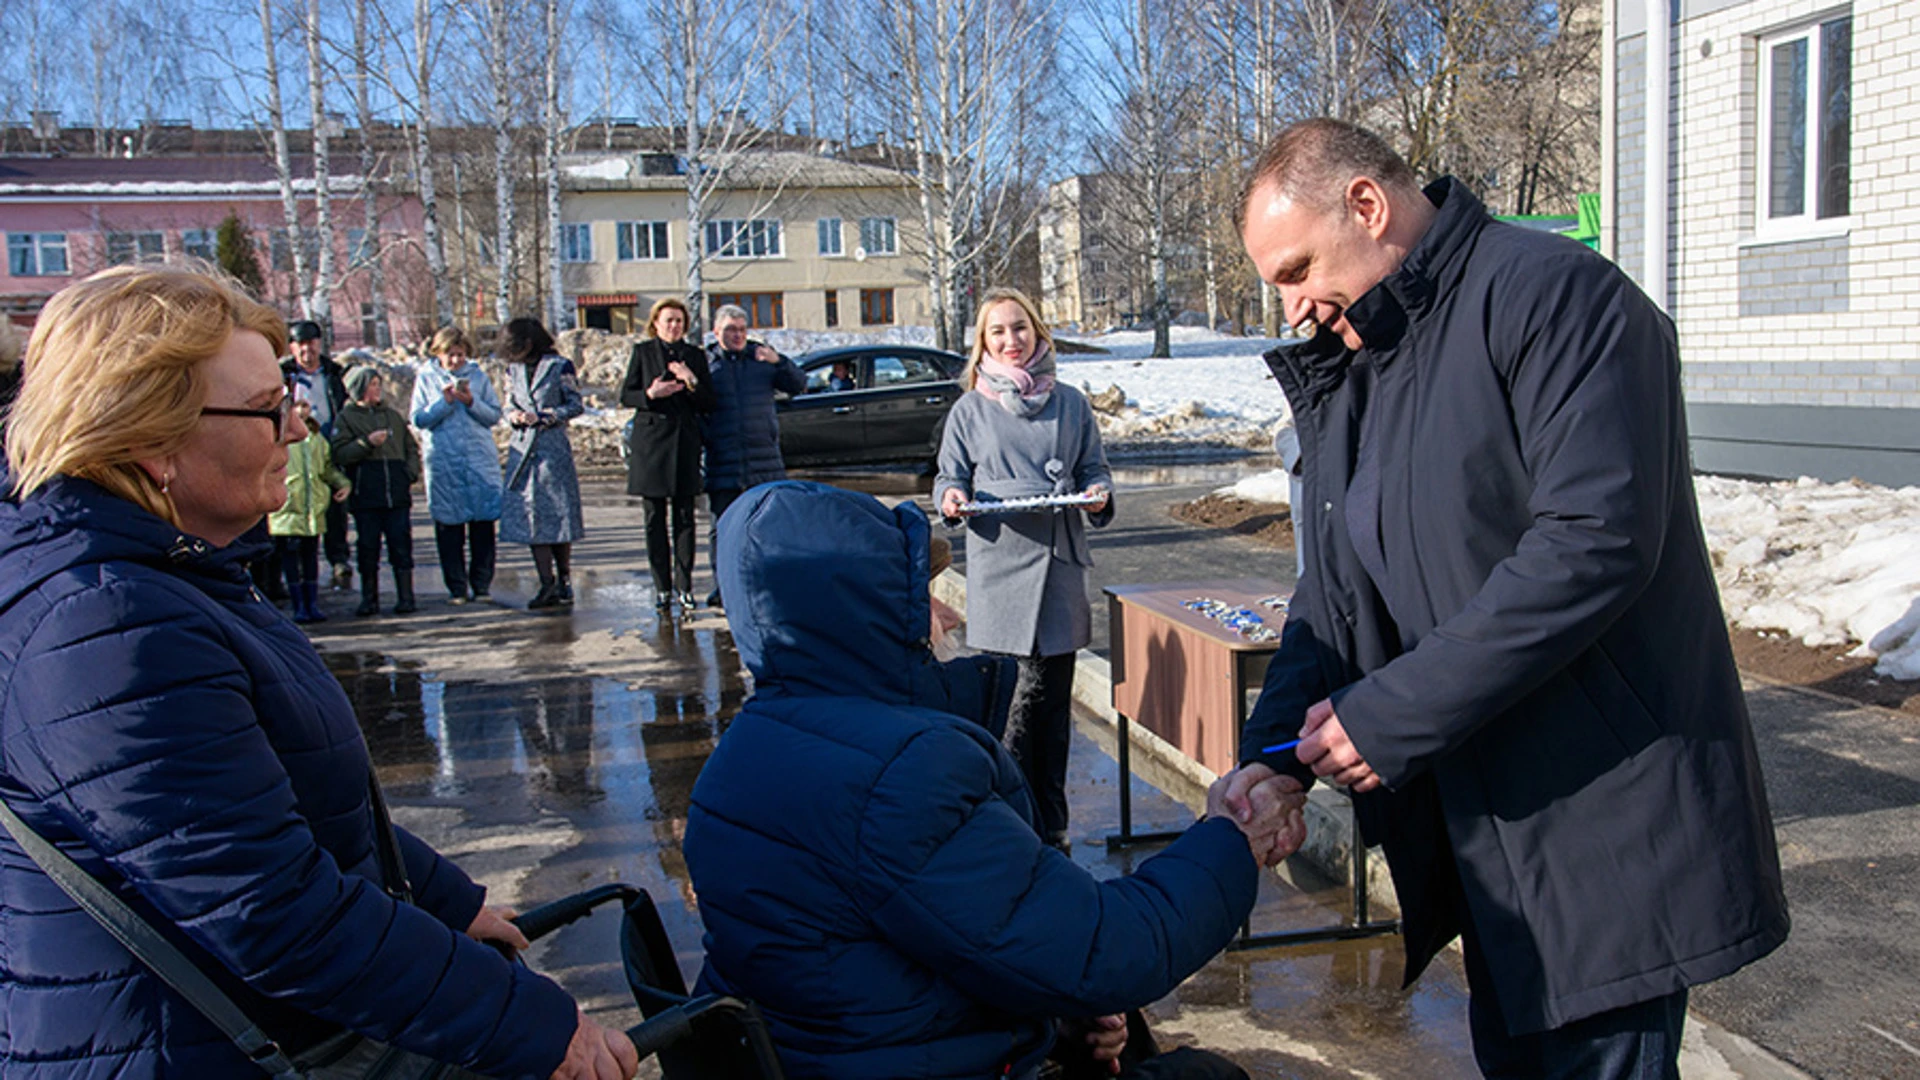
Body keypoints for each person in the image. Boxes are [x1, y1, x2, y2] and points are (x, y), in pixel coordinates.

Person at [1225, 118, 1788, 1078]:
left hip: (1604, 835)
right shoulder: (1372, 355)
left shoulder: (1560, 299)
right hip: (1493, 843)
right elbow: (1338, 588)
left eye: (1296, 269)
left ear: (1367, 205)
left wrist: (1388, 717)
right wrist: (1276, 759)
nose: (1292, 308)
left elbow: (1594, 545)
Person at [0, 264, 638, 1079]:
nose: (299, 430)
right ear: (149, 440)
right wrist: (535, 1027)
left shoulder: (166, 571)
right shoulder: (106, 621)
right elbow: (268, 909)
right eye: (270, 412)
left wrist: (448, 900)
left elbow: (288, 800)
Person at [684, 480, 1306, 1080]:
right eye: (919, 596)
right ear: (857, 617)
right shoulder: (900, 775)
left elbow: (902, 949)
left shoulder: (740, 755)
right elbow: (1106, 950)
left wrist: (1057, 1012)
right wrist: (1231, 839)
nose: (948, 613)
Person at [934, 287, 1112, 851]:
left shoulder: (1072, 402)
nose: (1011, 341)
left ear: (1037, 331)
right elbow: (947, 476)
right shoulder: (968, 408)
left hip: (1058, 565)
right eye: (997, 332)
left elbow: (1095, 469)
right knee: (1008, 705)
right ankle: (1008, 828)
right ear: (982, 343)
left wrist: (1098, 493)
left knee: (1053, 709)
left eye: (1020, 328)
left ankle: (1053, 825)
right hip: (1000, 566)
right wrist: (953, 497)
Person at [699, 303, 805, 607]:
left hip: (764, 460)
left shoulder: (762, 359)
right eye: (730, 329)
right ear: (717, 332)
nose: (737, 335)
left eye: (742, 329)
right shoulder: (708, 365)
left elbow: (799, 384)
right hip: (724, 460)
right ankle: (723, 587)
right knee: (722, 528)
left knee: (767, 525)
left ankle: (767, 579)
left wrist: (779, 361)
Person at [619, 297, 716, 613]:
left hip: (684, 443)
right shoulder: (643, 353)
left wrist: (691, 380)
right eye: (668, 320)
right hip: (651, 445)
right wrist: (650, 394)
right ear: (656, 324)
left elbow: (708, 402)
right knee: (654, 519)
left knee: (685, 518)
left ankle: (684, 585)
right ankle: (662, 587)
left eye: (679, 321)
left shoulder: (695, 356)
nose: (674, 326)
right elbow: (626, 395)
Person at [412, 326, 504, 605]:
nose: (455, 361)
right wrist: (445, 402)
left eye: (460, 355)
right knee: (449, 527)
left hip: (478, 460)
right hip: (444, 461)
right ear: (438, 354)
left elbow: (494, 415)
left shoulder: (478, 376)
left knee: (483, 525)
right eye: (450, 355)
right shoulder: (426, 378)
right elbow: (418, 418)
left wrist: (471, 402)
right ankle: (456, 587)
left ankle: (482, 584)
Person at [499, 317, 585, 610]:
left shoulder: (560, 366)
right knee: (532, 517)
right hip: (523, 450)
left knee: (559, 515)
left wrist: (547, 416)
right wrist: (513, 416)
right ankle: (545, 582)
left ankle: (564, 580)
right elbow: (508, 402)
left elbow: (576, 404)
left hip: (552, 450)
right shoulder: (513, 369)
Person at [332, 365, 422, 617]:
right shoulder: (347, 418)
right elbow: (340, 453)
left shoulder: (392, 416)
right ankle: (368, 599)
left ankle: (406, 596)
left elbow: (411, 448)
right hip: (366, 495)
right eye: (371, 384)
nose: (377, 389)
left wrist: (409, 473)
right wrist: (365, 443)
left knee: (401, 545)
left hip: (396, 493)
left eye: (377, 384)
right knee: (368, 548)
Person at [281, 319, 355, 592]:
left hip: (328, 446)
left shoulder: (333, 373)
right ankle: (296, 572)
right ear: (292, 347)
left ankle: (339, 561)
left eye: (311, 344)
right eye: (300, 345)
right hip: (296, 450)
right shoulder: (284, 375)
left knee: (336, 510)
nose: (306, 351)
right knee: (295, 507)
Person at [269, 394, 351, 623]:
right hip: (287, 511)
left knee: (311, 558)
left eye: (305, 406)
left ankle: (311, 603)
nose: (302, 411)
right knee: (291, 560)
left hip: (312, 511)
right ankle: (298, 605)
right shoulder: (279, 436)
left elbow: (325, 468)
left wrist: (342, 484)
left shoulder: (316, 438)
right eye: (297, 406)